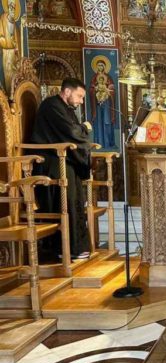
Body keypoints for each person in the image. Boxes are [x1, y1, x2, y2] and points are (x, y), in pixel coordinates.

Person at [29, 78, 94, 260]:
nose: (81, 101)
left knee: (74, 184)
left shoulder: (65, 108)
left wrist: (81, 130)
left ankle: (76, 247)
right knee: (69, 188)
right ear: (67, 92)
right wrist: (84, 128)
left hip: (61, 158)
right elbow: (72, 133)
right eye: (79, 96)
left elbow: (73, 132)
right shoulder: (51, 106)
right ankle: (66, 248)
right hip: (48, 162)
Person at [88, 58, 116, 149]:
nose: (100, 67)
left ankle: (108, 143)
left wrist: (107, 91)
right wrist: (95, 90)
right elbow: (91, 90)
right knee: (99, 122)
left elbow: (112, 90)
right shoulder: (94, 78)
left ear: (104, 67)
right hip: (97, 104)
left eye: (101, 65)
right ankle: (98, 143)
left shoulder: (109, 78)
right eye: (98, 65)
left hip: (106, 103)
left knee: (107, 121)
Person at [0, 0, 19, 91]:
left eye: (14, 6)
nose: (12, 8)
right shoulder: (2, 19)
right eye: (10, 5)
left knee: (14, 76)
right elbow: (1, 37)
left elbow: (17, 38)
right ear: (7, 6)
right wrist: (10, 43)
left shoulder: (14, 22)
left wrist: (15, 46)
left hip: (13, 55)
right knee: (7, 76)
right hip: (6, 54)